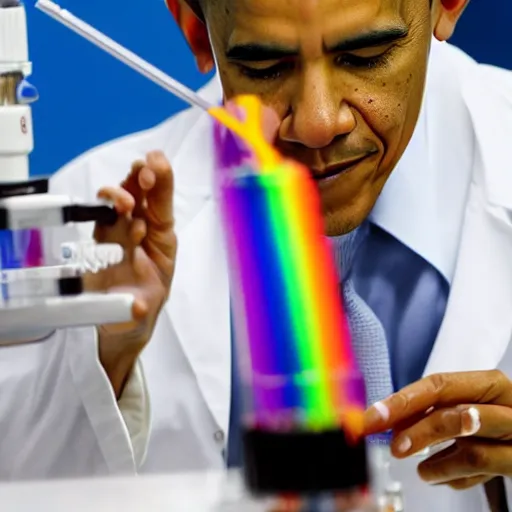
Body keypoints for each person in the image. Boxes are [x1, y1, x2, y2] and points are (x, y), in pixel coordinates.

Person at [1, 0, 512, 510]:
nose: (317, 123)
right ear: (196, 31)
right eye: (266, 67)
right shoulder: (89, 227)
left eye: (366, 55)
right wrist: (105, 363)